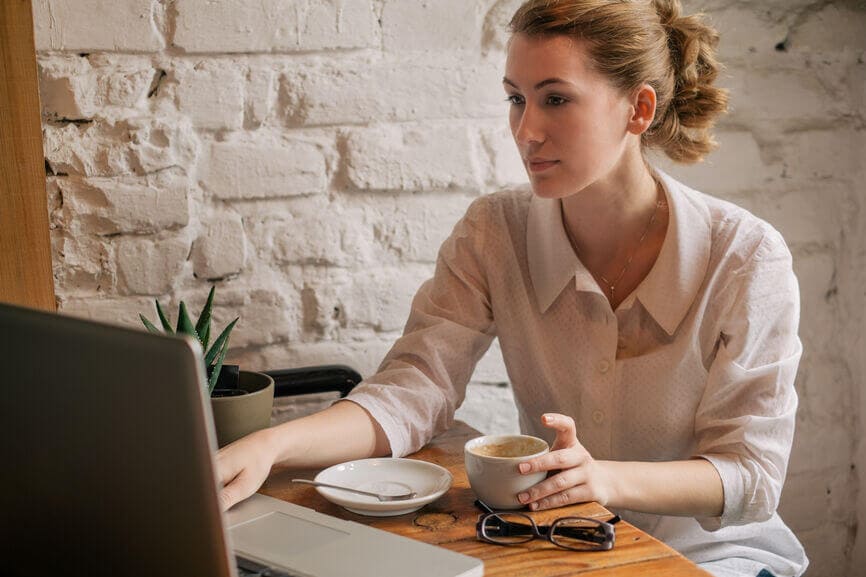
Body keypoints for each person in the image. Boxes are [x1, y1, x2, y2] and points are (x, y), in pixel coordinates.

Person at [216, 1, 807, 575]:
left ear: (638, 108)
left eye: (555, 99)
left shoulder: (745, 258)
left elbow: (751, 474)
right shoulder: (495, 229)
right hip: (563, 546)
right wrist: (269, 447)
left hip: (714, 560)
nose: (526, 130)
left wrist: (599, 477)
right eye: (516, 99)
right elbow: (414, 389)